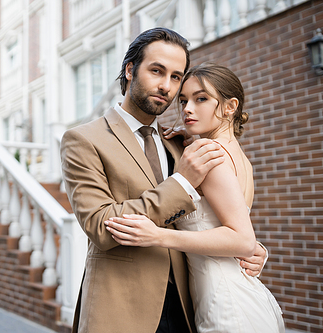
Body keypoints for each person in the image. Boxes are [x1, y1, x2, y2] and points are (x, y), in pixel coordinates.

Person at [61, 28, 267, 333]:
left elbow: (216, 216)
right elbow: (101, 226)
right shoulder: (84, 139)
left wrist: (250, 248)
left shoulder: (180, 143)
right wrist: (182, 183)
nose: (166, 86)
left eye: (175, 77)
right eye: (157, 71)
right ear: (130, 70)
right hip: (122, 310)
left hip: (188, 306)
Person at [105, 63, 285, 332]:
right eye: (184, 100)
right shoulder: (239, 158)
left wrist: (158, 236)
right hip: (240, 293)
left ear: (230, 106)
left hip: (226, 306)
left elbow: (243, 240)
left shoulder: (209, 154)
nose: (187, 108)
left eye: (201, 99)